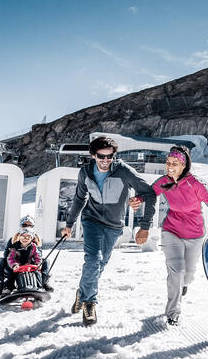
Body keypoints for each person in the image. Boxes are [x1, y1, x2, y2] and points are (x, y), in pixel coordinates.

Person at [59, 135, 157, 326]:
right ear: (93, 155)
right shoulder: (85, 172)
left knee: (100, 264)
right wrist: (69, 224)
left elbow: (149, 192)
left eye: (109, 157)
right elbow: (80, 198)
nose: (105, 161)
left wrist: (144, 226)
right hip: (91, 220)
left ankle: (82, 292)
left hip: (114, 225)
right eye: (101, 156)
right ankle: (89, 303)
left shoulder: (123, 171)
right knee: (93, 260)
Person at [149, 144, 208, 326]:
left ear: (184, 165)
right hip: (171, 230)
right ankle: (173, 313)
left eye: (175, 163)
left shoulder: (195, 184)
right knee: (176, 271)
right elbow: (149, 193)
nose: (170, 166)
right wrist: (138, 199)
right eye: (168, 162)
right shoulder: (164, 181)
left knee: (187, 276)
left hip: (194, 235)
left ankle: (182, 285)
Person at [0, 215, 53, 295]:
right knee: (0, 262)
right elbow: (8, 256)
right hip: (15, 264)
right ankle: (2, 286)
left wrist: (36, 264)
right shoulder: (15, 240)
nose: (27, 227)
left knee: (46, 261)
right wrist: (15, 264)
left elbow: (38, 255)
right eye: (24, 225)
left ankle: (42, 284)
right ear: (21, 226)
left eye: (30, 225)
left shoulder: (35, 241)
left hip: (30, 264)